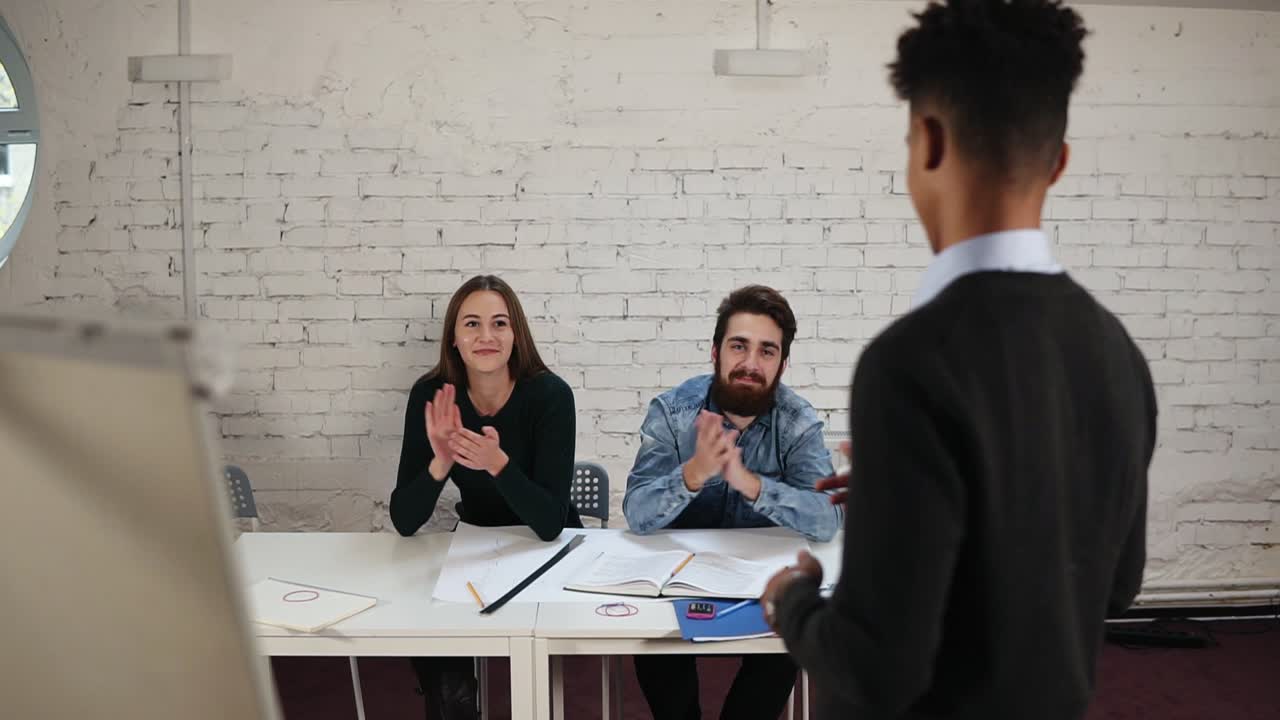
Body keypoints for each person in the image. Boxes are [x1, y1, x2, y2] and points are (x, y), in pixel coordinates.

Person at [760, 2, 1155, 719]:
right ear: (1059, 162)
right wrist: (920, 502)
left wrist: (792, 602)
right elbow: (1114, 582)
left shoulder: (907, 363)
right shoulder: (1119, 353)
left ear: (928, 143)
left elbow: (877, 668)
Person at [623, 284, 841, 720]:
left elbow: (827, 519)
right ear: (715, 352)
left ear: (783, 362)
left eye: (766, 351)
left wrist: (753, 484)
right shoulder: (673, 411)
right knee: (653, 642)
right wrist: (694, 474)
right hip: (679, 578)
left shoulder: (797, 422)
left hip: (758, 582)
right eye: (738, 346)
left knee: (788, 632)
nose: (750, 363)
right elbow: (638, 513)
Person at [390, 274, 580, 720]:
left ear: (517, 335)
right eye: (471, 324)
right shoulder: (433, 395)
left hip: (546, 546)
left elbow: (551, 521)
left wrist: (498, 464)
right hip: (476, 539)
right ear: (454, 339)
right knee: (433, 637)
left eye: (499, 323)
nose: (486, 336)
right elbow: (403, 519)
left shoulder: (551, 396)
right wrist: (440, 461)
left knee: (530, 645)